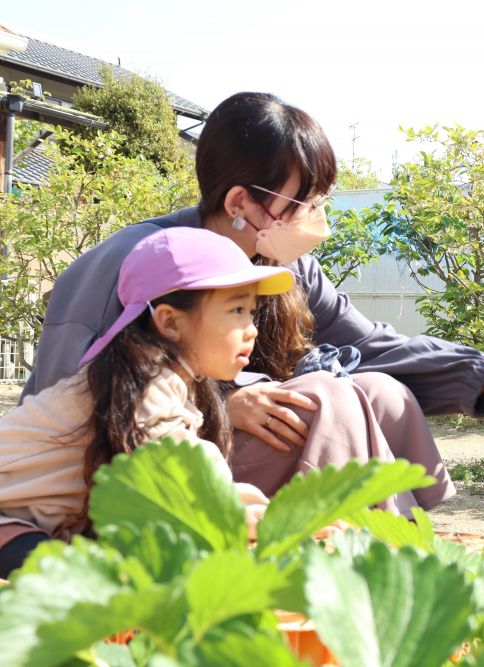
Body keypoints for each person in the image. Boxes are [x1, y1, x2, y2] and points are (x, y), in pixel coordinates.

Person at [16, 92, 484, 532]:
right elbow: (77, 403)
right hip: (118, 473)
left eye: (322, 200)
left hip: (205, 445)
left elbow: (368, 342)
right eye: (304, 202)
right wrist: (222, 403)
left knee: (382, 393)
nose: (317, 217)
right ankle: (350, 556)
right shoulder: (134, 262)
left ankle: (392, 541)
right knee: (334, 399)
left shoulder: (279, 264)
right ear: (240, 201)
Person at [0, 228, 307, 578]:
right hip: (9, 522)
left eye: (251, 311)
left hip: (37, 524)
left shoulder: (177, 382)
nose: (251, 328)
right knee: (81, 580)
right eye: (236, 309)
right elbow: (180, 475)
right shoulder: (142, 385)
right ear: (170, 322)